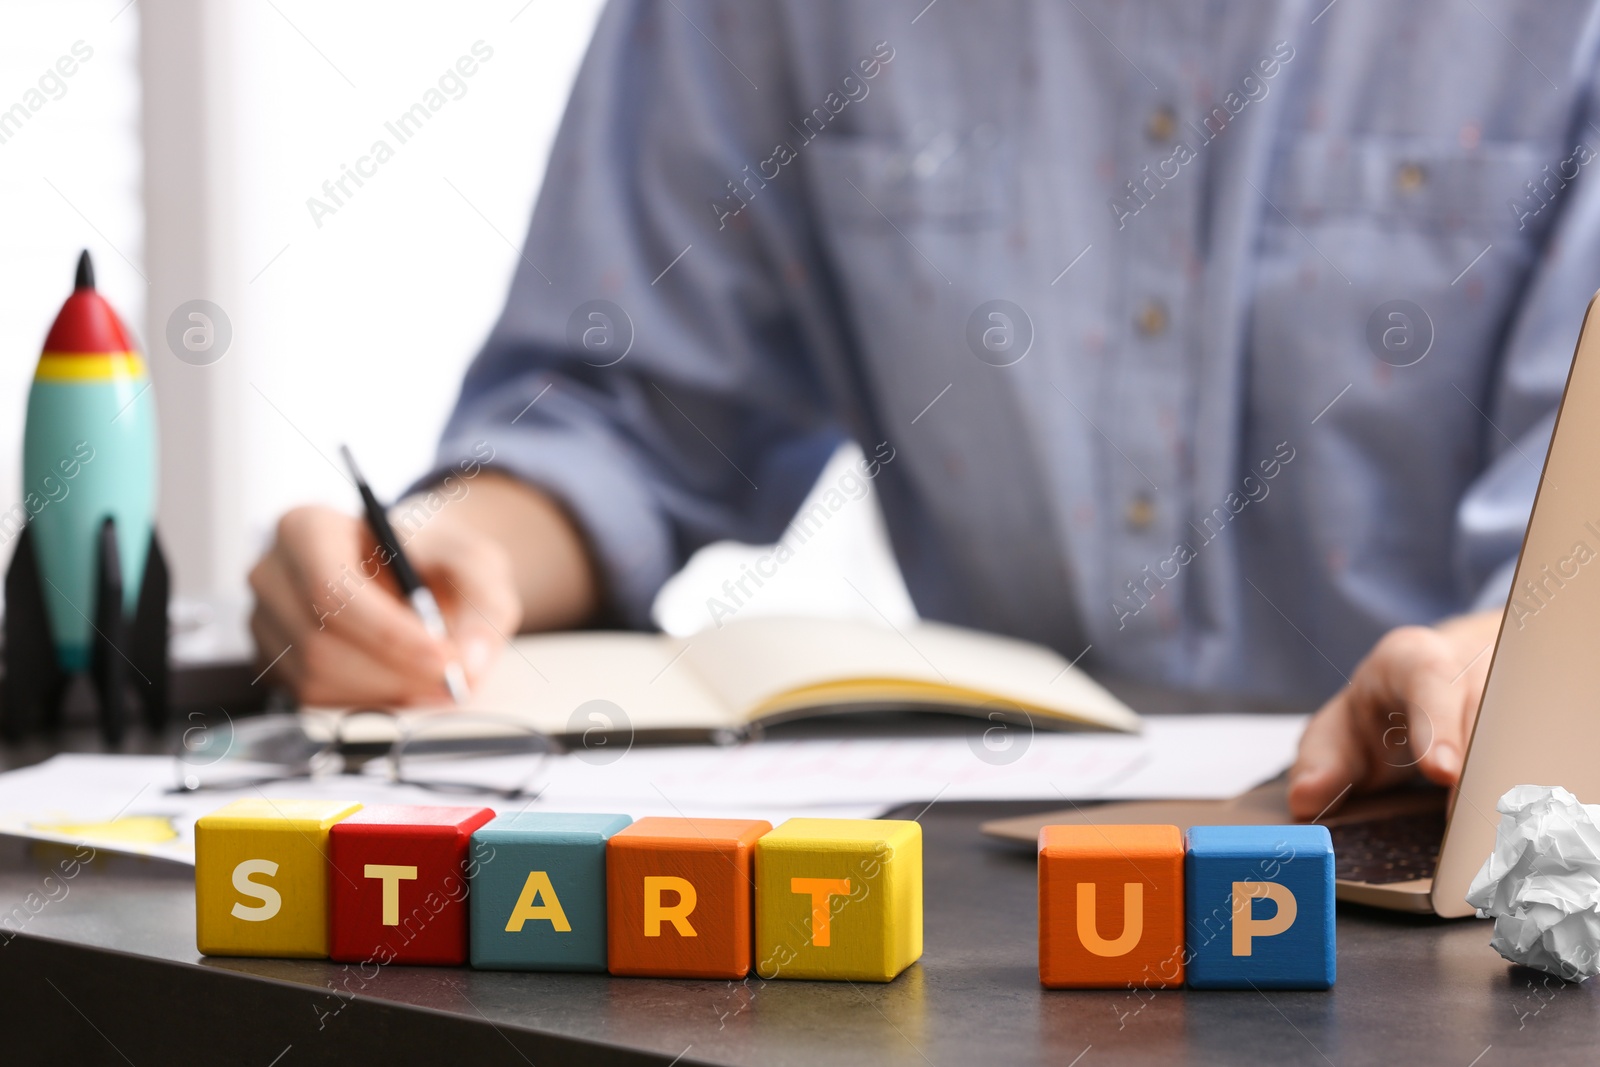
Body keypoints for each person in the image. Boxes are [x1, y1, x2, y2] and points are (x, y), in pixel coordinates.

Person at [249, 1, 1600, 820]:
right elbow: (624, 406)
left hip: (1457, 867)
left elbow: (1572, 572)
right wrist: (460, 548)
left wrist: (1511, 676)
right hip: (989, 871)